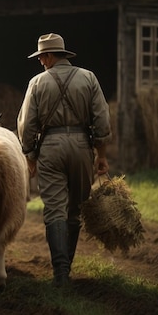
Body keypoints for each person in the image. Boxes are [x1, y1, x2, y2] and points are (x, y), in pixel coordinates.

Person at [17, 33, 111, 287]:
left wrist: (30, 156)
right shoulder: (89, 78)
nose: (40, 62)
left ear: (48, 56)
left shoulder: (36, 83)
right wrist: (101, 155)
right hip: (82, 147)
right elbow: (102, 119)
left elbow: (26, 124)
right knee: (76, 208)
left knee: (54, 209)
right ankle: (66, 266)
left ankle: (60, 273)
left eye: (40, 57)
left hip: (50, 148)